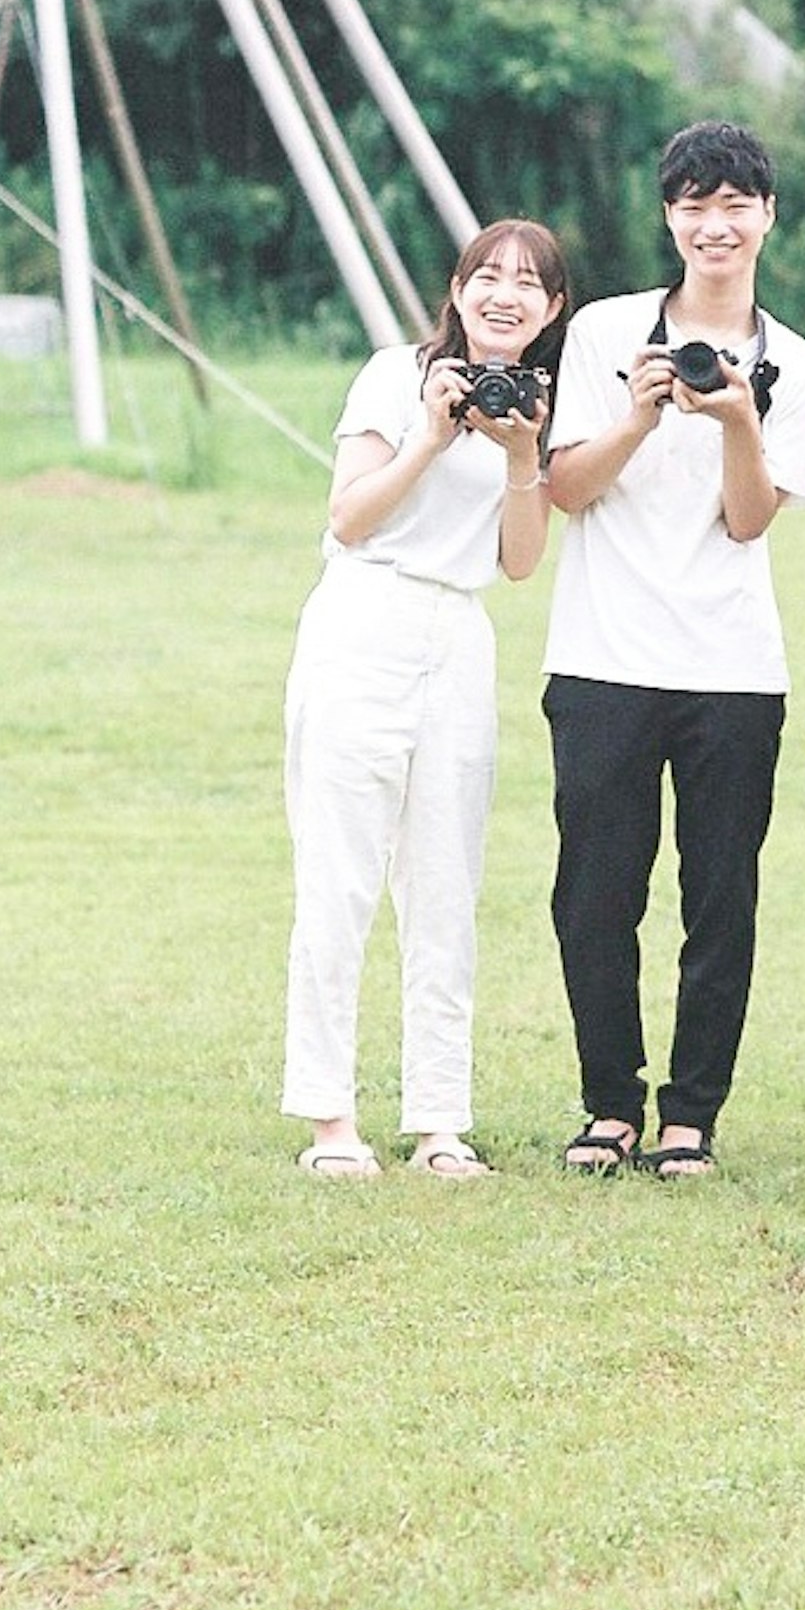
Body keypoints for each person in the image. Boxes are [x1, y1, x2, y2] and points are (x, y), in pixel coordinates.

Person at [539, 121, 805, 1179]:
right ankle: (609, 1104)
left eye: (736, 204)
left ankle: (690, 1116)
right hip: (601, 655)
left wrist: (736, 421)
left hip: (732, 668)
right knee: (596, 890)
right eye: (694, 204)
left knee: (721, 895)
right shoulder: (604, 333)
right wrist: (641, 410)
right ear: (669, 216)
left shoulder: (799, 366)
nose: (716, 224)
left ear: (766, 216)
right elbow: (564, 488)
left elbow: (750, 520)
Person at [282, 219, 571, 1181]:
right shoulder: (393, 375)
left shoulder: (534, 406)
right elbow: (351, 517)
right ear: (454, 290)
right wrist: (431, 437)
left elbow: (520, 563)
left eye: (529, 284)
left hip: (459, 633)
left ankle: (440, 1119)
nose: (505, 294)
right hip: (365, 619)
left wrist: (521, 450)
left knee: (447, 882)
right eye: (487, 275)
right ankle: (329, 1118)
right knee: (342, 876)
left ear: (551, 310)